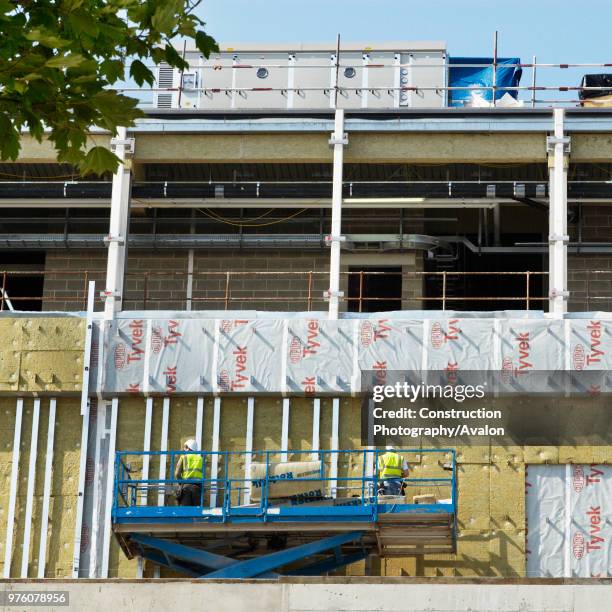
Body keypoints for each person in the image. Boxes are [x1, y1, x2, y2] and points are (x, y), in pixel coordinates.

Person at [174, 438, 203, 506]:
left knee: (185, 512)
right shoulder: (200, 459)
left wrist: (181, 483)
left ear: (188, 447)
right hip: (197, 487)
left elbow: (177, 474)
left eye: (185, 447)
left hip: (186, 487)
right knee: (196, 511)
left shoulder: (184, 457)